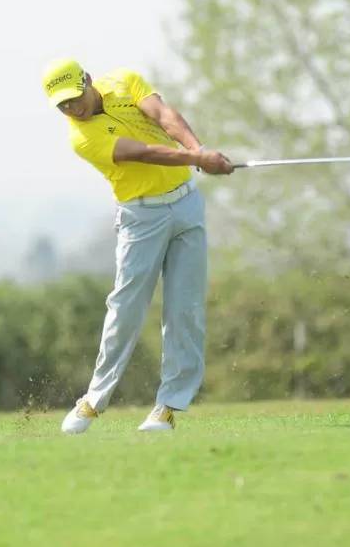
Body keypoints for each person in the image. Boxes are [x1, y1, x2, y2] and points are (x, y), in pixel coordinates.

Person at [41, 58, 234, 433]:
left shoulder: (124, 82)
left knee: (185, 308)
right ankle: (94, 400)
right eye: (63, 105)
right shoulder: (81, 137)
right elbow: (143, 151)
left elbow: (163, 115)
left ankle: (167, 407)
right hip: (142, 218)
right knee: (126, 308)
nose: (72, 109)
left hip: (187, 204)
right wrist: (198, 158)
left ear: (88, 81)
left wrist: (199, 151)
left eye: (74, 98)